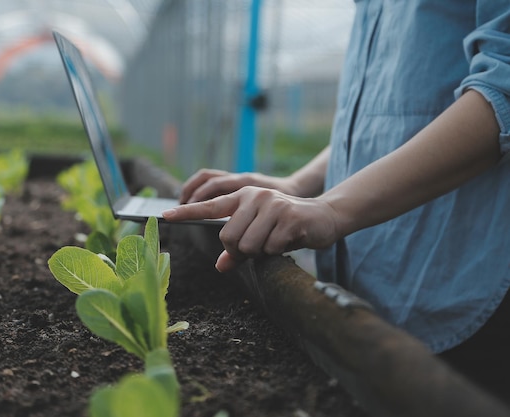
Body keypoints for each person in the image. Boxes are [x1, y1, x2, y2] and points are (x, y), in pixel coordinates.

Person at [163, 0, 510, 404]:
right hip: (372, 275)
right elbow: (387, 114)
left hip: (464, 282)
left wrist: (332, 208)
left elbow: (501, 90)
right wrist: (299, 184)